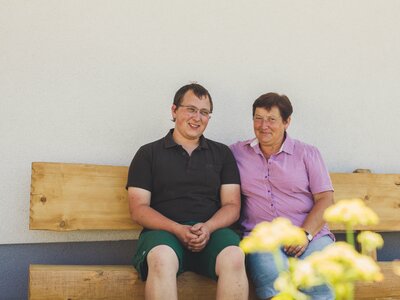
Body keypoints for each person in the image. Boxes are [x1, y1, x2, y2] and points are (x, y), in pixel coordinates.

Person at [126, 83, 248, 300]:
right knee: (161, 258)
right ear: (174, 111)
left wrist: (209, 227)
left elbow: (232, 206)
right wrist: (177, 229)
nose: (197, 118)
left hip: (211, 233)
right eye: (191, 109)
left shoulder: (222, 154)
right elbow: (138, 209)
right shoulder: (148, 154)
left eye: (204, 112)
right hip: (164, 233)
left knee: (235, 256)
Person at [230, 92, 335, 300]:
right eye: (258, 118)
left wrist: (305, 235)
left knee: (319, 282)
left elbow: (325, 199)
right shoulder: (237, 152)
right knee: (273, 279)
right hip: (262, 238)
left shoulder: (307, 153)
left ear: (287, 122)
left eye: (271, 119)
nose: (263, 125)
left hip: (310, 235)